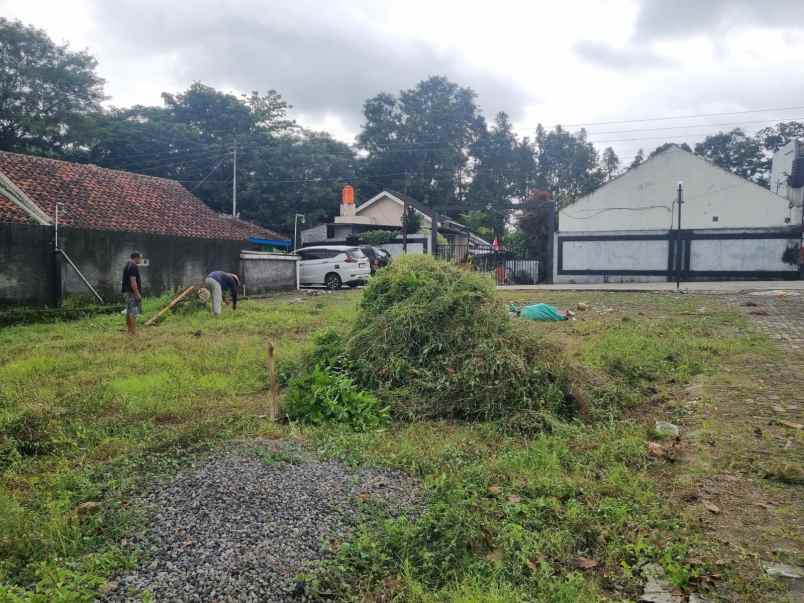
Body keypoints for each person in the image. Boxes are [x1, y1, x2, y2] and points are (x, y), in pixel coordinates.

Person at [122, 252, 143, 335]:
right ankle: (133, 332)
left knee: (128, 311)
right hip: (131, 292)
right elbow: (133, 281)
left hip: (127, 292)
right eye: (140, 258)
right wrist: (137, 293)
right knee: (133, 312)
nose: (141, 260)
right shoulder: (133, 266)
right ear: (136, 258)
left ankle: (129, 331)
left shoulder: (127, 265)